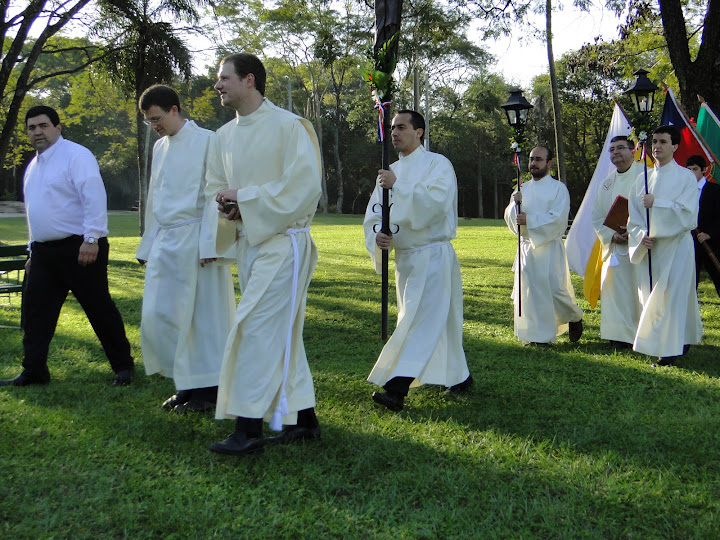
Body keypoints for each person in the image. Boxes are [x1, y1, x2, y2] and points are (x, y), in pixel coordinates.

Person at [205, 53, 322, 456]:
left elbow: (303, 186)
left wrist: (246, 198)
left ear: (249, 80)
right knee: (279, 332)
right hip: (248, 243)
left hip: (284, 244)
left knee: (254, 327)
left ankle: (248, 427)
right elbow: (216, 186)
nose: (217, 85)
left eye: (224, 78)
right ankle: (304, 420)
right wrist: (228, 206)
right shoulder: (223, 136)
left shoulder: (291, 126)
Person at [0, 106, 134, 387]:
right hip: (43, 253)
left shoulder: (76, 155)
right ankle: (34, 371)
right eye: (31, 128)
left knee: (99, 308)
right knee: (36, 313)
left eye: (43, 125)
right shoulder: (33, 166)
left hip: (80, 247)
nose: (37, 131)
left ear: (57, 128)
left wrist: (92, 239)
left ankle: (123, 366)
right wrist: (31, 250)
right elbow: (36, 211)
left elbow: (93, 196)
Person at [363, 110, 472, 412]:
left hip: (432, 255)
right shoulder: (390, 172)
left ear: (419, 131)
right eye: (392, 128)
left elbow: (436, 204)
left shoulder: (438, 164)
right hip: (406, 260)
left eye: (401, 127)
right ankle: (460, 377)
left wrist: (398, 185)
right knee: (437, 320)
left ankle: (396, 388)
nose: (395, 133)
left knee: (420, 321)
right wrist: (380, 235)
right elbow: (375, 213)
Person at [136, 85, 235, 412]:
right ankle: (185, 384)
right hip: (167, 241)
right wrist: (148, 245)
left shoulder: (208, 140)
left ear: (174, 110)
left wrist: (211, 242)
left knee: (202, 318)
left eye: (157, 118)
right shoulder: (160, 147)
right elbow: (155, 197)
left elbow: (215, 194)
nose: (154, 126)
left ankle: (208, 390)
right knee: (163, 315)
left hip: (197, 241)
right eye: (149, 121)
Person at [628, 126, 703, 366]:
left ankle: (669, 351)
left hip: (676, 247)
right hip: (651, 248)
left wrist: (657, 203)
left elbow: (688, 215)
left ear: (675, 146)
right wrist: (641, 235)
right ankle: (668, 340)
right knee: (650, 295)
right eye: (654, 141)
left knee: (672, 296)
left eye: (663, 142)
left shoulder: (686, 177)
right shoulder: (643, 179)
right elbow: (633, 217)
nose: (657, 146)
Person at [504, 146, 584, 345]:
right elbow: (510, 217)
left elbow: (558, 218)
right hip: (527, 249)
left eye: (538, 159)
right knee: (530, 292)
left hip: (548, 246)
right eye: (532, 159)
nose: (533, 163)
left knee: (556, 290)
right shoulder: (522, 188)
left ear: (549, 163)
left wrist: (529, 220)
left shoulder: (558, 189)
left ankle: (574, 317)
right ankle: (537, 336)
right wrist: (514, 205)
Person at [591, 136, 643, 349]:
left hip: (641, 245)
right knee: (614, 290)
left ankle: (642, 334)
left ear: (633, 151)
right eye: (611, 149)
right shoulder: (607, 183)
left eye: (620, 148)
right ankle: (618, 336)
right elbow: (597, 217)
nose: (615, 152)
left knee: (639, 290)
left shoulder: (645, 175)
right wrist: (612, 235)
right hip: (616, 246)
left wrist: (635, 232)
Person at [686, 155, 720, 297]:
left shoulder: (715, 190)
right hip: (690, 243)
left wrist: (709, 234)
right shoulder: (683, 192)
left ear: (704, 170)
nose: (691, 173)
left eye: (695, 169)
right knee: (689, 283)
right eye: (689, 170)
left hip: (711, 244)